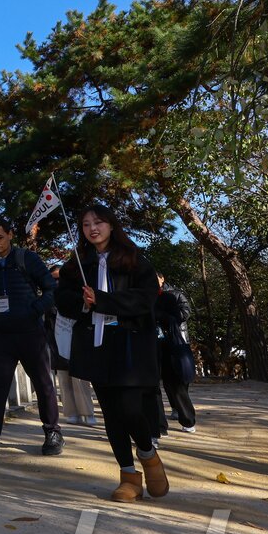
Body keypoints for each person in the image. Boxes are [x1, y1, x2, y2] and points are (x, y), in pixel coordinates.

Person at [56, 204, 166, 503]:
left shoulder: (134, 260)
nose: (93, 228)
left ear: (111, 225)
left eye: (99, 222)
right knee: (112, 414)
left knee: (131, 408)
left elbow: (144, 300)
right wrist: (82, 302)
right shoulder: (77, 264)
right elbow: (62, 297)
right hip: (96, 345)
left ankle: (148, 453)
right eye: (86, 224)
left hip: (129, 345)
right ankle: (128, 476)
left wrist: (103, 300)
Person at [0, 217, 63, 465]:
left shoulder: (27, 259)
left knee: (43, 383)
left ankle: (52, 432)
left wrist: (33, 310)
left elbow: (52, 289)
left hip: (31, 333)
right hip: (1, 335)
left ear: (10, 235)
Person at [50, 264, 97, 425]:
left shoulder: (77, 293)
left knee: (80, 380)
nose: (56, 282)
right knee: (64, 381)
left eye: (59, 279)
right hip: (57, 343)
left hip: (78, 342)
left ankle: (87, 412)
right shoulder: (50, 298)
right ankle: (70, 412)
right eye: (54, 279)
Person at [155, 273, 197, 433]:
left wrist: (166, 317)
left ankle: (187, 419)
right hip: (152, 343)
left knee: (176, 383)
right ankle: (159, 426)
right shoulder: (145, 295)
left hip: (174, 342)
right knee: (153, 385)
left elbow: (185, 313)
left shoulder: (175, 294)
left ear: (162, 278)